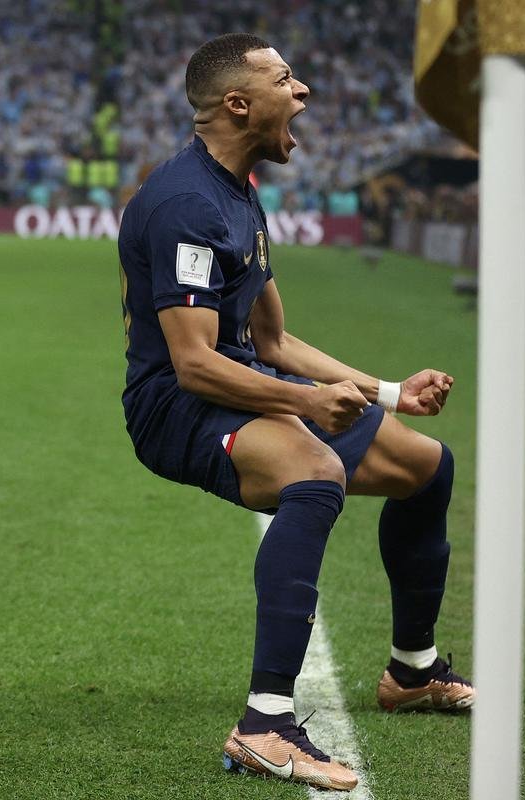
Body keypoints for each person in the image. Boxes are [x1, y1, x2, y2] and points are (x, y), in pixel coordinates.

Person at [116, 33, 474, 792]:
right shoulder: (185, 201)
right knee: (315, 473)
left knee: (424, 466)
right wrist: (309, 405)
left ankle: (411, 671)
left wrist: (385, 393)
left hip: (234, 377)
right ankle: (265, 725)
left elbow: (272, 338)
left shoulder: (237, 190)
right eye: (286, 79)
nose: (303, 90)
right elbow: (194, 362)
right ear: (238, 103)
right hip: (176, 406)